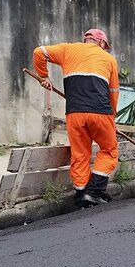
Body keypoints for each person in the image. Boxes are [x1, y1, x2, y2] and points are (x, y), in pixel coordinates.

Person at [33, 29, 120, 206]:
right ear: (101, 43)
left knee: (80, 153)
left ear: (86, 40)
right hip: (101, 113)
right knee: (109, 150)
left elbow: (38, 52)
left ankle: (81, 194)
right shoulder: (109, 59)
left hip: (74, 113)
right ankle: (95, 191)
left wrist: (43, 76)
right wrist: (112, 116)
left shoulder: (67, 50)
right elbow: (113, 92)